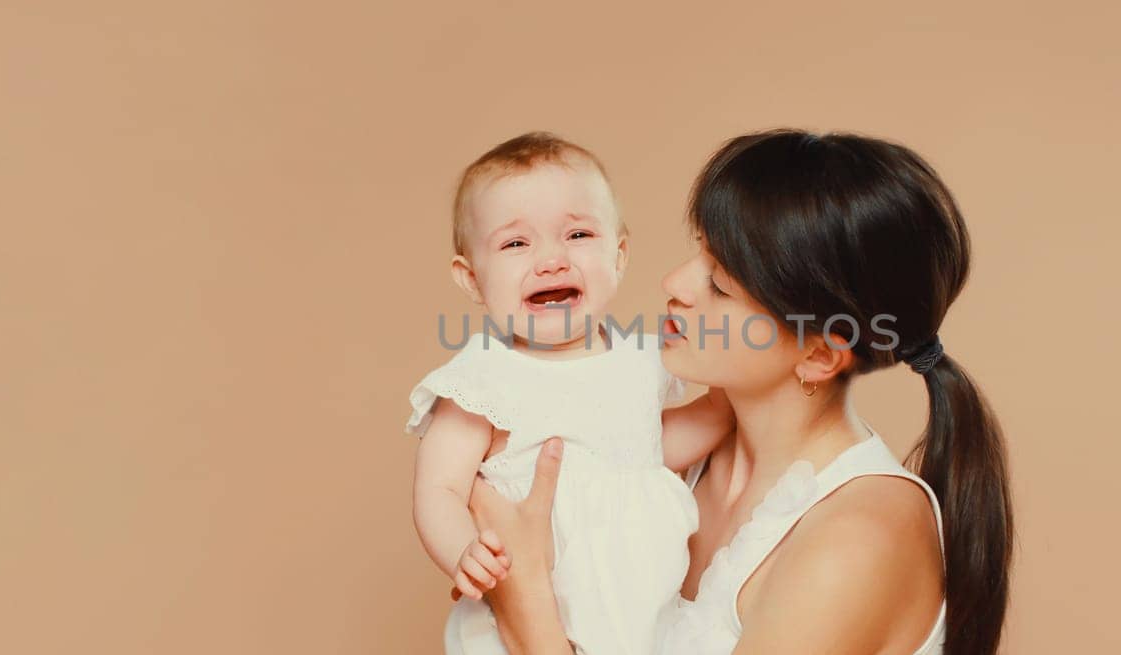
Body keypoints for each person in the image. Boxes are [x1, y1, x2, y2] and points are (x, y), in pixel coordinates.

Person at [467, 129, 1014, 655]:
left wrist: (527, 609)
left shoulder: (860, 535)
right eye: (698, 252)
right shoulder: (668, 459)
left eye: (721, 284)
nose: (676, 286)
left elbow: (542, 608)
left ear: (819, 355)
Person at [406, 132, 731, 655]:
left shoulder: (640, 358)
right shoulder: (481, 377)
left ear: (619, 255)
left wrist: (723, 408)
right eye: (516, 244)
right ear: (471, 279)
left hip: (640, 606)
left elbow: (647, 449)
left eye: (577, 235)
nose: (552, 260)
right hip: (524, 612)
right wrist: (464, 549)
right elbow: (439, 489)